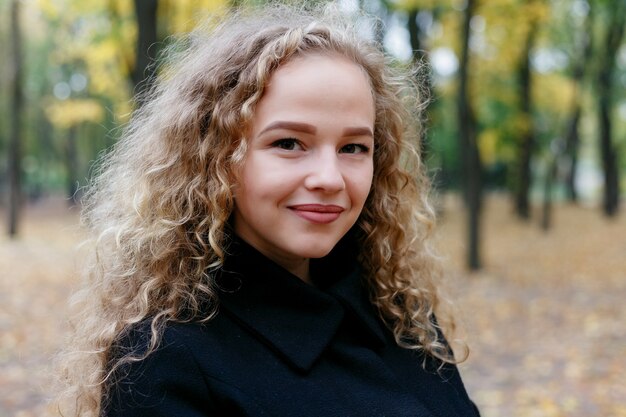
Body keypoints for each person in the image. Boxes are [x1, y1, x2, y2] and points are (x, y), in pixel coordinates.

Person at [57, 3, 480, 416]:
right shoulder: (164, 360)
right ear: (217, 156)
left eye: (354, 147)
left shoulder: (398, 310)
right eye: (289, 143)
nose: (330, 178)